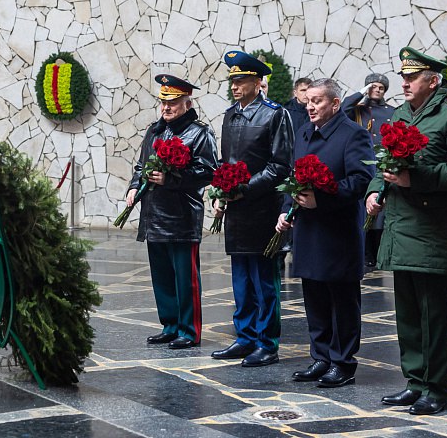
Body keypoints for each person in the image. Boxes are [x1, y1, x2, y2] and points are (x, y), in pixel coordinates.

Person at [366, 48, 447, 416]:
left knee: (433, 315)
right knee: (407, 314)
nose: (403, 83)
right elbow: (386, 160)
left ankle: (436, 390)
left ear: (433, 81)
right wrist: (376, 189)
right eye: (403, 76)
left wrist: (415, 180)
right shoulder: (402, 113)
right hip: (402, 227)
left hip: (436, 230)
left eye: (412, 77)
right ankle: (415, 382)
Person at [275, 78, 374, 387]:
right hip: (308, 228)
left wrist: (323, 199)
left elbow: (360, 180)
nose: (310, 106)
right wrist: (286, 209)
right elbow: (294, 177)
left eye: (317, 101)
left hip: (338, 231)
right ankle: (321, 357)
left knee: (342, 300)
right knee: (314, 296)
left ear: (334, 103)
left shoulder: (353, 134)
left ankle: (342, 362)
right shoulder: (304, 132)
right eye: (308, 100)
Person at [211, 51, 293, 367]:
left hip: (261, 209)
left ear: (258, 82)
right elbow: (225, 161)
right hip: (236, 210)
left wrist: (244, 188)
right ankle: (244, 337)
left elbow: (280, 166)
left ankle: (267, 343)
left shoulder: (275, 114)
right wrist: (221, 192)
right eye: (233, 80)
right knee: (241, 280)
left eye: (241, 80)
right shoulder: (230, 115)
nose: (235, 86)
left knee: (264, 282)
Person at [126, 74, 217, 350]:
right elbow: (140, 166)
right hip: (154, 215)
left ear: (188, 103)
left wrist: (171, 178)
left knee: (185, 279)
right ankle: (170, 325)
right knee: (162, 276)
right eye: (163, 101)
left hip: (181, 216)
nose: (166, 107)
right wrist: (134, 187)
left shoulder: (199, 133)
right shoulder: (154, 131)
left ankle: (189, 330)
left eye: (173, 102)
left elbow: (208, 172)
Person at [341, 73, 395, 267]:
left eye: (381, 87)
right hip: (361, 165)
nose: (377, 90)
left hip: (381, 165)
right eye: (373, 87)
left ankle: (377, 252)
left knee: (379, 211)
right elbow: (341, 110)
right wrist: (361, 94)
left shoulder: (392, 111)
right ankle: (364, 253)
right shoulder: (357, 109)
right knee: (362, 209)